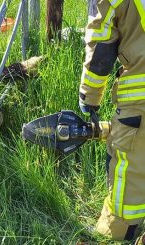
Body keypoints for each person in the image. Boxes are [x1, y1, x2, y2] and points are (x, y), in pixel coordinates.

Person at [78, 0, 145, 242]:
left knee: (129, 169)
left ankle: (116, 232)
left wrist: (90, 95)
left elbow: (101, 44)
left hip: (140, 100)